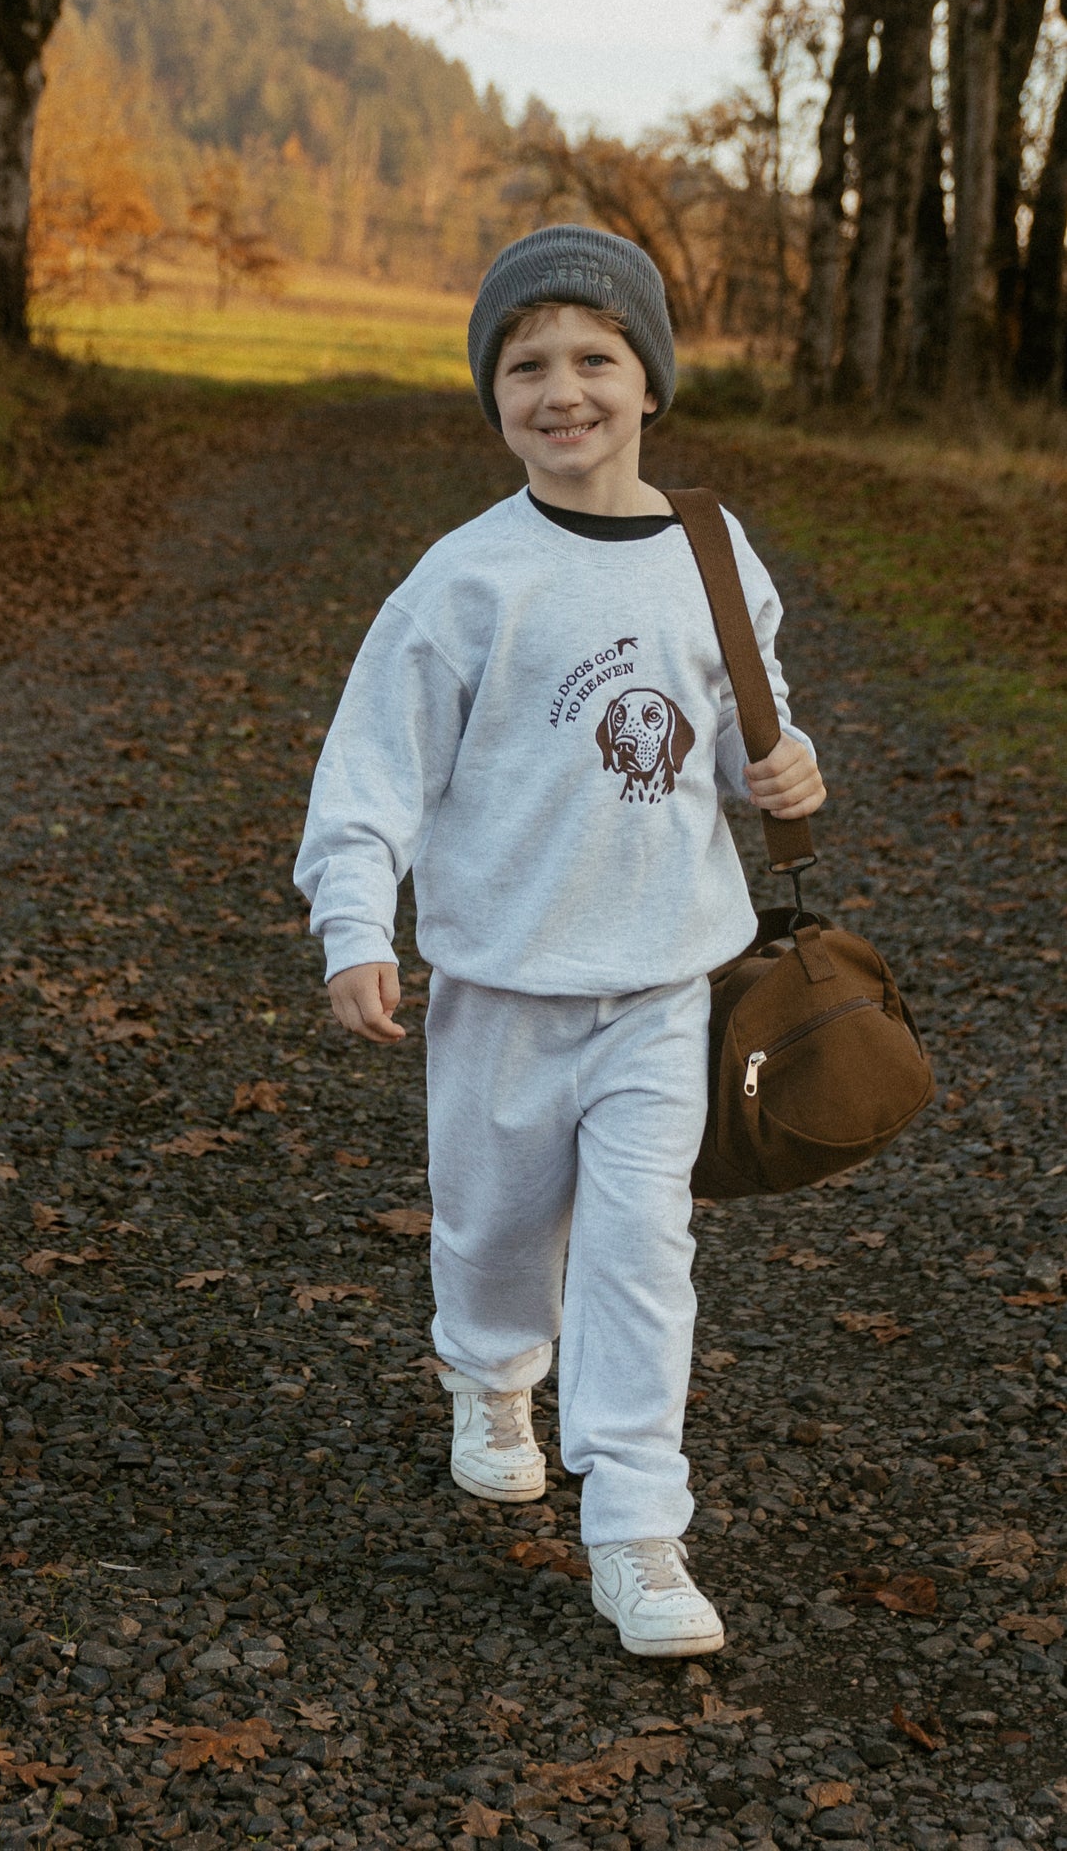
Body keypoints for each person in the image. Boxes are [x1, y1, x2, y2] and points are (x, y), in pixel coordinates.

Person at [293, 224, 826, 1658]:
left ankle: (639, 1528)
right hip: (501, 985)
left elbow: (737, 726)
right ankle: (485, 1372)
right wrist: (356, 917)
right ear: (495, 397)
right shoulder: (464, 581)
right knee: (491, 1231)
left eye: (596, 357)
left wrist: (776, 770)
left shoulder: (711, 552)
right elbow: (371, 770)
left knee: (643, 1255)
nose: (562, 389)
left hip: (663, 982)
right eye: (526, 365)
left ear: (649, 382)